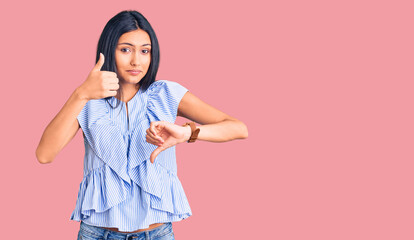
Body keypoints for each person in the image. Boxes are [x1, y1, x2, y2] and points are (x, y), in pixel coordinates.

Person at [36, 10, 248, 240]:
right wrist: (80, 94)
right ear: (108, 50)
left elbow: (238, 128)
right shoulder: (87, 101)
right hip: (97, 234)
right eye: (125, 49)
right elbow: (44, 154)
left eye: (145, 51)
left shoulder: (166, 93)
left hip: (157, 234)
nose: (136, 60)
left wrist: (187, 133)